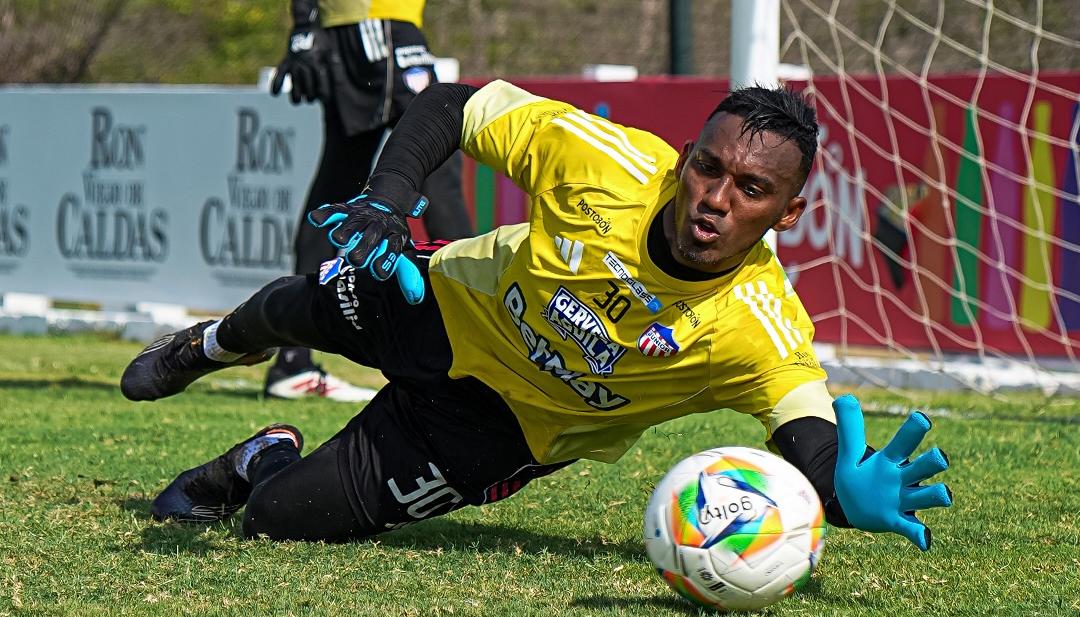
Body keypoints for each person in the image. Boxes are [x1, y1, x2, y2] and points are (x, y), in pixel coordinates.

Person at [121, 80, 952, 548]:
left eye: (750, 190)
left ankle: (262, 457)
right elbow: (450, 105)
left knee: (277, 521)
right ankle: (208, 343)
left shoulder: (757, 323)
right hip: (446, 301)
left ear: (788, 214)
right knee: (298, 305)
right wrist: (385, 202)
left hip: (499, 430)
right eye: (707, 167)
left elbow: (809, 438)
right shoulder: (608, 162)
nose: (713, 198)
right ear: (687, 157)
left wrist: (843, 491)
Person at [263, 0, 473, 402]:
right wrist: (305, 25)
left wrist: (306, 30)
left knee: (338, 189)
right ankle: (477, 345)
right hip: (378, 27)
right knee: (438, 164)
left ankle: (292, 358)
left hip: (368, 28)